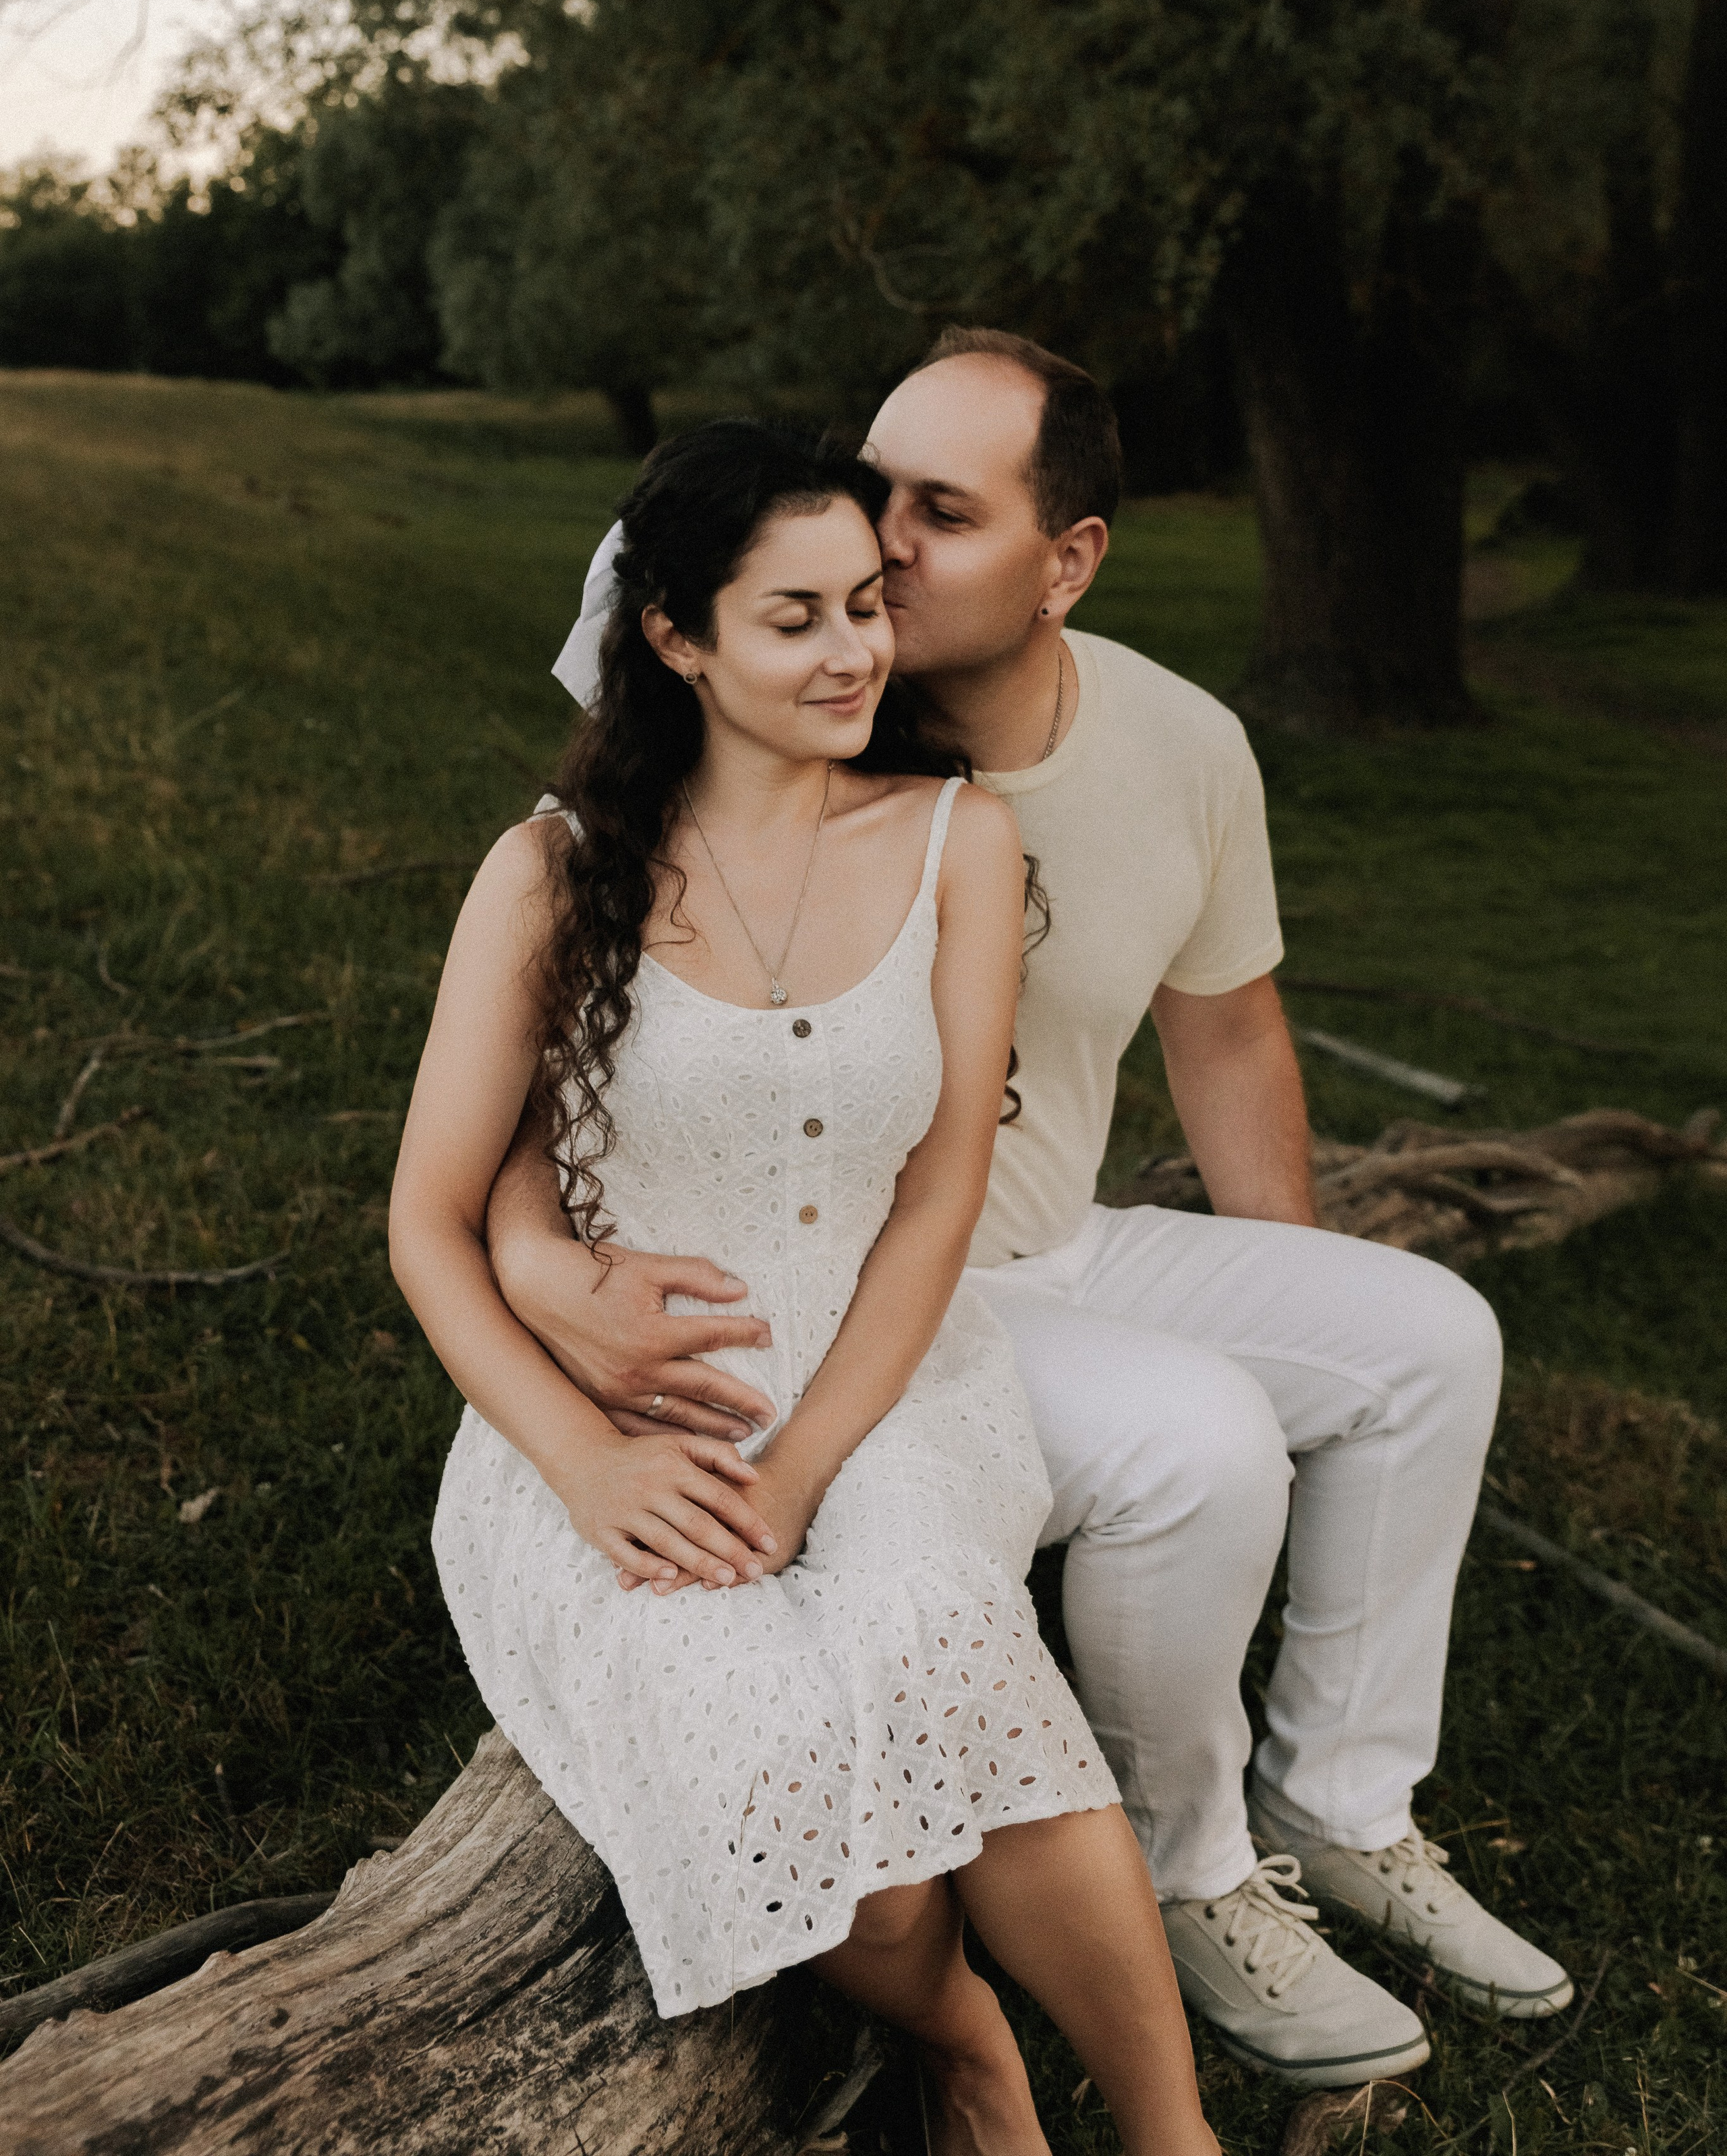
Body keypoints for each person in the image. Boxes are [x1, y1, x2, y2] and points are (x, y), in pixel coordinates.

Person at [487, 332, 1575, 2092]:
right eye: (873, 487)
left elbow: (1229, 1032)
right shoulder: (785, 695)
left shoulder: (1179, 744)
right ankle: (1192, 1865)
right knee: (1203, 1443)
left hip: (1041, 1238)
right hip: (845, 1293)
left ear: (1068, 559)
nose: (881, 548)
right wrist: (537, 1261)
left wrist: (1280, 1271)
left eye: (939, 511)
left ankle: (1351, 1798)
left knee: (1428, 1338)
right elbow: (587, 971)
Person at [391, 420, 1220, 2156]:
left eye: (864, 604)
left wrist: (809, 1458)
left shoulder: (956, 840)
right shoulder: (545, 874)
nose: (852, 651)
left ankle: (1168, 2135)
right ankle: (967, 2045)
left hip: (896, 1377)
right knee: (753, 1730)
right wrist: (584, 1456)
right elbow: (427, 1223)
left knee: (939, 1641)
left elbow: (937, 1191)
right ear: (675, 637)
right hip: (608, 1421)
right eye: (793, 618)